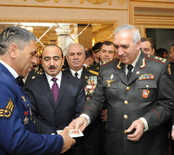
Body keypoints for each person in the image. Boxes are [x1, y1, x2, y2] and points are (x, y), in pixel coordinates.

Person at [69, 24, 174, 155]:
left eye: (125, 46)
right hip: (115, 144)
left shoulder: (159, 67)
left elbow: (167, 104)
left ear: (138, 44)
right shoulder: (107, 68)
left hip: (149, 145)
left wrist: (144, 122)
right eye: (116, 47)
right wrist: (85, 117)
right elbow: (97, 99)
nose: (119, 52)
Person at [0, 26, 75, 155]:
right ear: (13, 51)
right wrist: (58, 142)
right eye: (31, 54)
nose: (34, 60)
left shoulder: (3, 77)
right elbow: (16, 141)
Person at [24, 44, 85, 154]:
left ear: (63, 61)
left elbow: (80, 112)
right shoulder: (31, 85)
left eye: (56, 59)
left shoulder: (76, 83)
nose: (52, 64)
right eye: (47, 59)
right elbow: (31, 115)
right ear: (41, 62)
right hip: (44, 143)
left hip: (72, 144)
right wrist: (54, 136)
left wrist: (67, 134)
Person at [65, 43, 102, 155]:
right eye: (72, 54)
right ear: (66, 58)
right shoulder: (59, 77)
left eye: (79, 54)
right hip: (68, 129)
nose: (75, 57)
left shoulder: (96, 75)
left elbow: (101, 98)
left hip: (93, 131)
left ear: (84, 57)